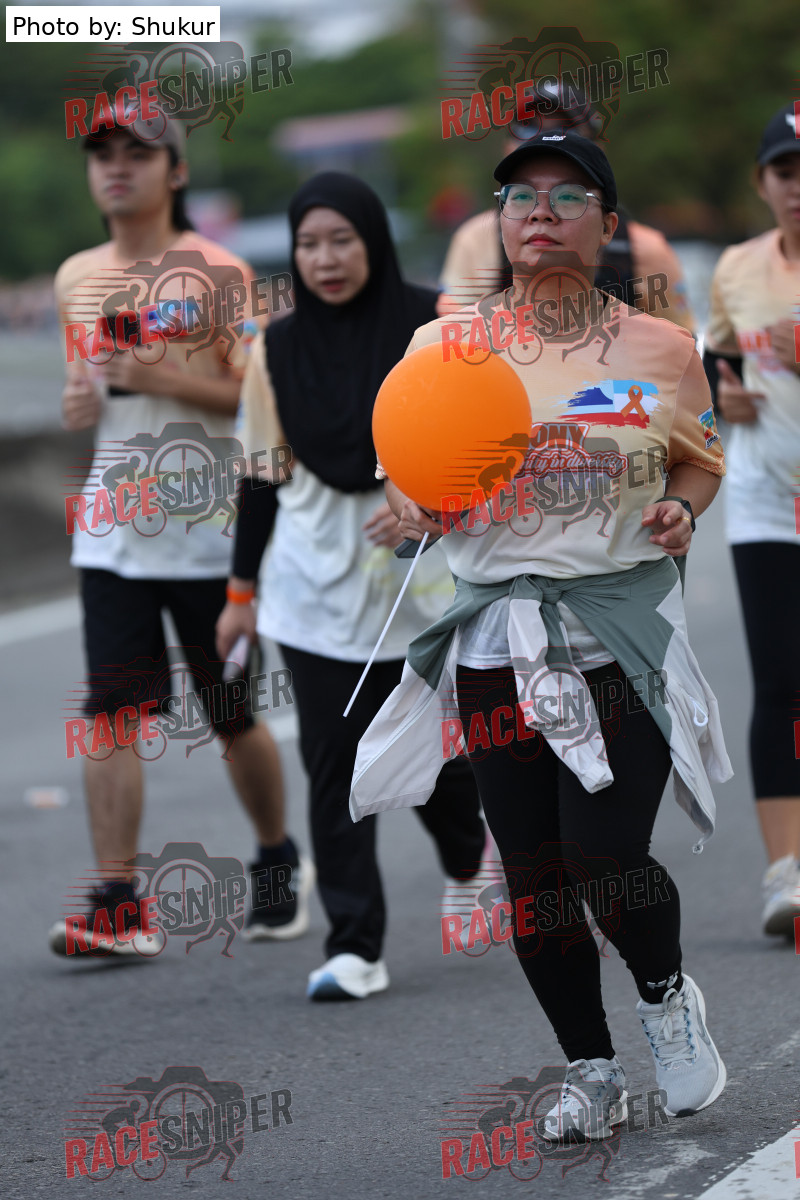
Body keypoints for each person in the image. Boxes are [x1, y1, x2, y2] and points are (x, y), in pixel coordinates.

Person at [352, 131, 732, 1138]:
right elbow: (408, 473)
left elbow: (699, 459)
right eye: (521, 196)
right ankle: (588, 1070)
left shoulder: (659, 350)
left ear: (608, 225)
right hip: (494, 641)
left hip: (619, 628)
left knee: (603, 851)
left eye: (568, 196)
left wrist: (680, 508)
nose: (542, 213)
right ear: (498, 222)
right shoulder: (443, 347)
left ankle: (664, 997)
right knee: (533, 878)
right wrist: (408, 506)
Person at [216, 171, 487, 1001]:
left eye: (342, 240)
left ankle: (469, 857)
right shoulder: (275, 349)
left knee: (433, 754)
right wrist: (239, 595)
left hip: (422, 583)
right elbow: (261, 477)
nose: (325, 259)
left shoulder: (435, 326)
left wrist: (430, 501)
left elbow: (485, 442)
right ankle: (354, 946)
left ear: (373, 239)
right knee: (333, 760)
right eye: (308, 244)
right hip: (314, 585)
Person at [49, 107, 310, 957]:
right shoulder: (77, 277)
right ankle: (117, 903)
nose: (117, 167)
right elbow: (90, 394)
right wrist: (81, 401)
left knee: (230, 715)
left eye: (138, 152)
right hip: (112, 535)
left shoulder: (219, 273)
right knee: (111, 714)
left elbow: (263, 398)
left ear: (177, 170)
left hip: (210, 534)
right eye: (102, 154)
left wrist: (165, 377)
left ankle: (276, 855)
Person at [703, 103, 800, 940]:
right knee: (779, 681)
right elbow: (718, 356)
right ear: (763, 183)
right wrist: (723, 389)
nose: (798, 188)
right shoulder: (737, 267)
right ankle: (786, 872)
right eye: (786, 172)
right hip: (768, 500)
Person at [439, 83, 695, 333]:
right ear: (507, 148)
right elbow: (454, 341)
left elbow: (679, 346)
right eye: (528, 127)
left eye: (565, 129)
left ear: (607, 228)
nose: (543, 138)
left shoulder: (644, 250)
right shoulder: (476, 240)